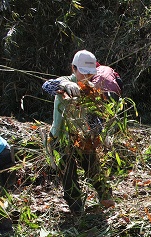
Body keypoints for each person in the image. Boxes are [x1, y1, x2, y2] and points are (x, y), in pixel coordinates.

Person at [42, 50, 120, 214]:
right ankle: (77, 209)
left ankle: (106, 197)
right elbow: (47, 85)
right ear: (73, 68)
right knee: (68, 175)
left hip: (83, 137)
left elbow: (93, 116)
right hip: (61, 137)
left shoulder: (91, 89)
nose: (86, 78)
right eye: (82, 73)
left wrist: (100, 130)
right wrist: (65, 86)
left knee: (93, 167)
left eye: (89, 74)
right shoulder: (65, 82)